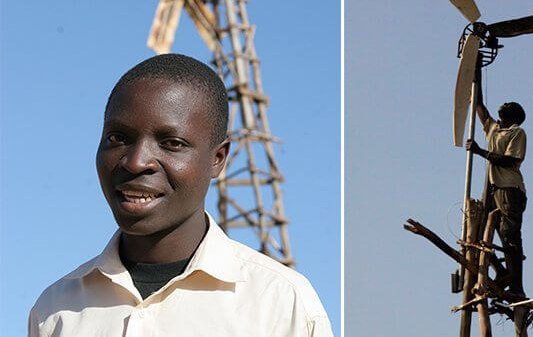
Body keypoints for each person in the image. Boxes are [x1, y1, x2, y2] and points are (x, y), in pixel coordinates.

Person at [29, 54, 332, 336]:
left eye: (172, 143)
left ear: (218, 159)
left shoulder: (281, 303)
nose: (136, 161)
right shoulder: (55, 310)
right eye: (118, 138)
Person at [465, 63, 527, 299]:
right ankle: (503, 274)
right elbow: (479, 106)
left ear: (514, 116)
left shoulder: (515, 133)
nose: (505, 103)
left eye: (509, 105)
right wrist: (476, 72)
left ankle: (516, 284)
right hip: (492, 189)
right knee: (480, 233)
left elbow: (511, 160)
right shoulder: (493, 128)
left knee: (510, 237)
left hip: (510, 189)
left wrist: (481, 152)